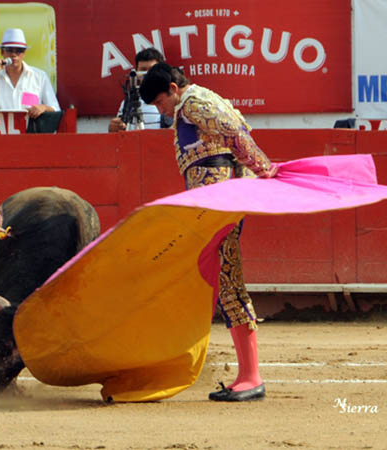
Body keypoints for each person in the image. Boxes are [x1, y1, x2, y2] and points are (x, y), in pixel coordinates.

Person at [139, 62, 277, 402]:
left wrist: (264, 168)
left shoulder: (194, 102)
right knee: (223, 278)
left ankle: (250, 376)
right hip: (213, 203)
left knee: (228, 278)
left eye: (159, 102)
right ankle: (246, 374)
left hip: (219, 203)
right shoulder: (193, 103)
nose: (161, 110)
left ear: (173, 88)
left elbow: (235, 133)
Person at [0, 28, 59, 118]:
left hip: (32, 129)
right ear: (2, 52)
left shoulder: (39, 76)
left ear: (24, 53)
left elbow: (55, 108)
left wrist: (43, 108)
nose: (14, 55)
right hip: (4, 130)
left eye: (19, 50)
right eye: (9, 50)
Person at [108, 47, 172, 132]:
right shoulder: (128, 102)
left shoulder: (170, 98)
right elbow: (119, 134)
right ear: (136, 73)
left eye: (151, 70)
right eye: (143, 70)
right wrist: (114, 128)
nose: (147, 75)